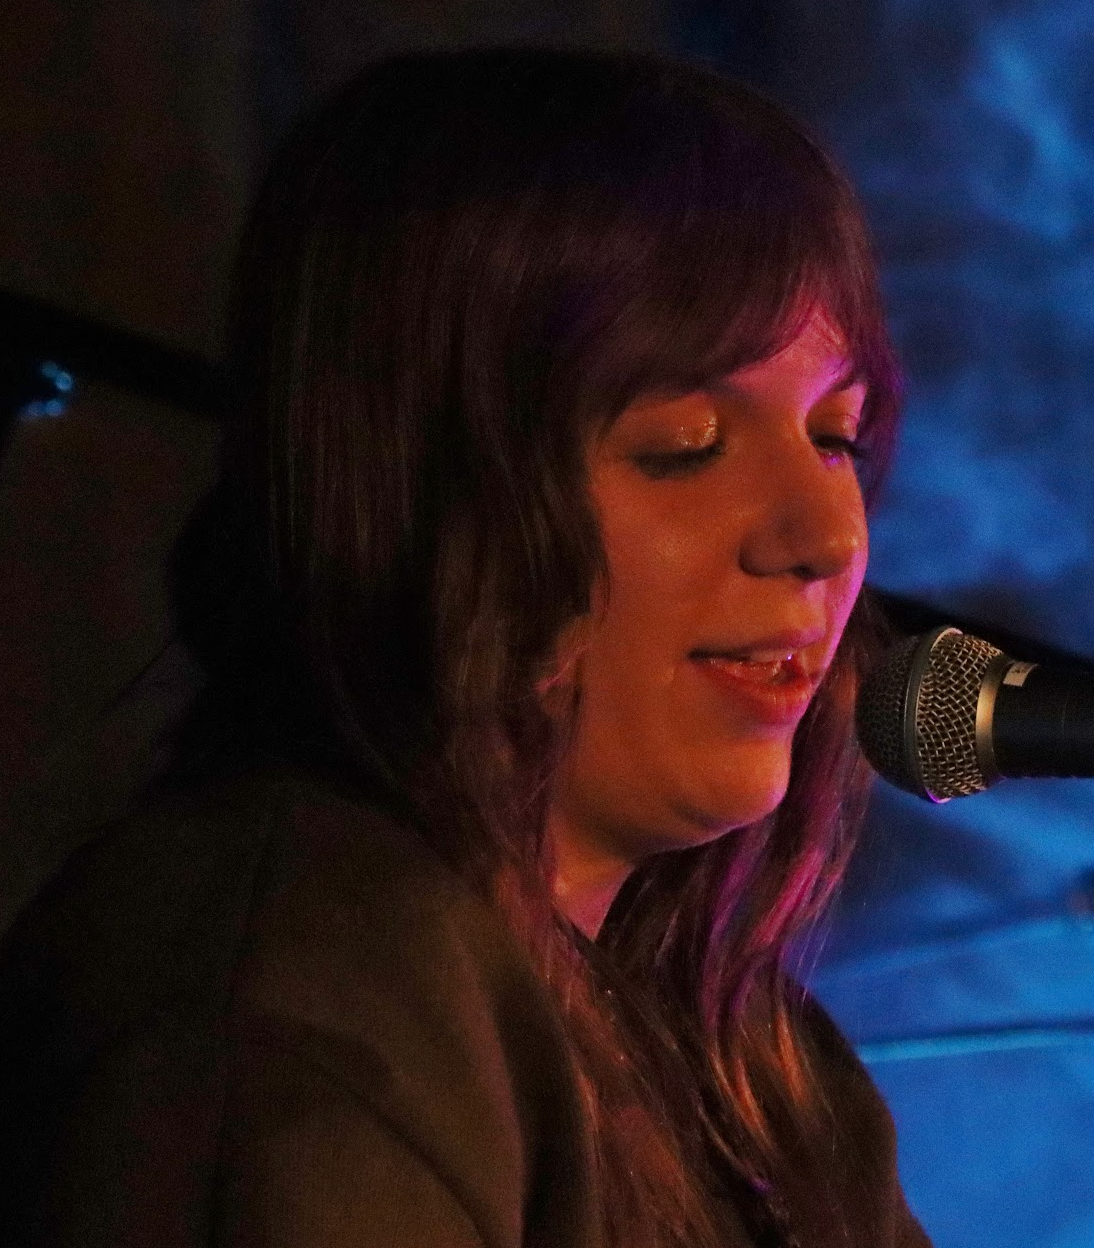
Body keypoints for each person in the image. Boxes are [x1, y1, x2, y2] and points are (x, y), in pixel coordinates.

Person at [0, 45, 930, 1248]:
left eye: (834, 436)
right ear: (431, 496)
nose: (824, 535)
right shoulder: (293, 1004)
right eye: (685, 444)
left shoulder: (758, 1070)